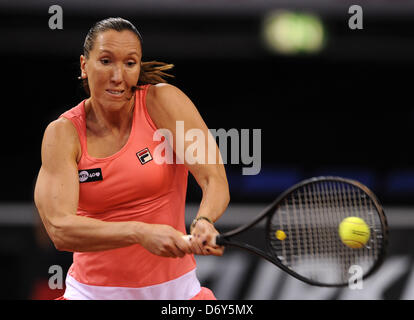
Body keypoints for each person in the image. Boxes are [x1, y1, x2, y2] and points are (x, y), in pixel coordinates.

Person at [34, 17, 230, 300]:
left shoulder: (163, 103)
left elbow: (214, 179)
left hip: (178, 295)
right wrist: (139, 233)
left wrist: (204, 220)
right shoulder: (63, 133)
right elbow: (59, 230)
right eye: (105, 61)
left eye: (130, 63)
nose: (118, 76)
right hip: (90, 294)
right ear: (83, 66)